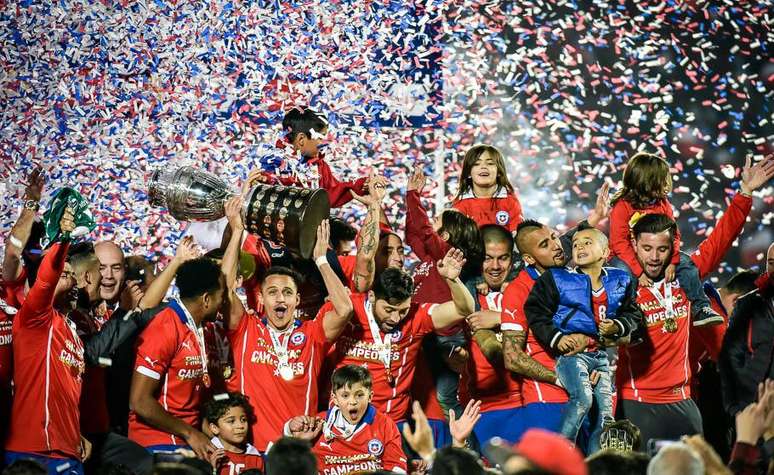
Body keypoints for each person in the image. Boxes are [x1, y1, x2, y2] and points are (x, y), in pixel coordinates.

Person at [5, 208, 160, 474]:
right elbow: (46, 278)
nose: (74, 282)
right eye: (65, 276)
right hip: (32, 449)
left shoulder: (72, 333)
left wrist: (74, 432)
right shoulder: (36, 320)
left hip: (69, 448)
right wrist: (64, 239)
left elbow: (64, 396)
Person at [222, 195, 356, 452]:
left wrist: (321, 260)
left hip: (298, 451)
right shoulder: (246, 329)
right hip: (252, 451)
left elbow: (345, 308)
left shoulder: (312, 334)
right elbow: (225, 290)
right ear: (261, 297)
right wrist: (238, 229)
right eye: (272, 292)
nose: (280, 298)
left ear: (297, 299)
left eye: (286, 292)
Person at [328, 249, 476, 430]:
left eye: (402, 310)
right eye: (389, 310)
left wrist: (452, 279)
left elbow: (464, 309)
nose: (396, 319)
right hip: (342, 419)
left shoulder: (417, 316)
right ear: (372, 296)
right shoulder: (349, 309)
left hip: (391, 423)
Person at [525, 226, 642, 453]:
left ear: (606, 252)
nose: (579, 246)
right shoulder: (558, 279)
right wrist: (556, 338)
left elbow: (634, 314)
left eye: (588, 242)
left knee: (606, 413)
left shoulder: (621, 280)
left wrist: (618, 325)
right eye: (576, 243)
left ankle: (596, 460)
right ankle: (560, 452)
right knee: (583, 400)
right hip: (572, 356)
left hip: (600, 357)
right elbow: (535, 311)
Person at [127, 256, 226, 458]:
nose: (224, 302)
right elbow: (139, 401)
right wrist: (190, 433)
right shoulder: (164, 328)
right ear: (206, 300)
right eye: (221, 296)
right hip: (158, 440)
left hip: (187, 437)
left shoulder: (201, 328)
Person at [608, 152, 723, 327]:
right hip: (627, 257)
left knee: (686, 261)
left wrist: (673, 262)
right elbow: (619, 244)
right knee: (620, 272)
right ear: (645, 182)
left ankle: (701, 308)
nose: (665, 185)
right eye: (661, 180)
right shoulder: (622, 207)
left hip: (658, 254)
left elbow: (674, 235)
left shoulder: (663, 204)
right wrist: (638, 271)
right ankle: (629, 321)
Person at [461, 224, 525, 445]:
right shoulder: (464, 296)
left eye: (503, 258)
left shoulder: (526, 289)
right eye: (487, 258)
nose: (495, 266)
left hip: (524, 402)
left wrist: (500, 318)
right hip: (481, 408)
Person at [285, 365, 408, 474]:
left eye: (359, 395)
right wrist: (294, 437)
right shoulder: (316, 425)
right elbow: (285, 464)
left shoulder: (384, 424)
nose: (353, 402)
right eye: (345, 395)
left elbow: (397, 468)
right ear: (335, 398)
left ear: (370, 397)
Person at [260, 107, 367, 208]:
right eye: (321, 137)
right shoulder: (275, 162)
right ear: (301, 139)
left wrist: (362, 185)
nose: (325, 143)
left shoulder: (320, 166)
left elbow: (331, 194)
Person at [719, 242, 774, 416]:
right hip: (755, 413)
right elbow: (730, 358)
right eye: (771, 263)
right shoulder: (748, 305)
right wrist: (736, 409)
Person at [451, 144, 523, 232]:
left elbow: (518, 235)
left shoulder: (510, 201)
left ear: (499, 172)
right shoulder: (460, 203)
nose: (483, 166)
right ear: (468, 172)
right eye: (476, 164)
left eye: (490, 163)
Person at [203, 392, 265, 475]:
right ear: (215, 428)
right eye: (231, 421)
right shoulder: (208, 453)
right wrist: (211, 470)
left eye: (243, 420)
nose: (240, 426)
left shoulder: (255, 458)